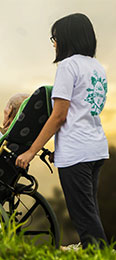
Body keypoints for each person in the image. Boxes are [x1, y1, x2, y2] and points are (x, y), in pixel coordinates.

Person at [15, 13, 109, 249]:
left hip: (77, 152)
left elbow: (59, 116)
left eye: (55, 37)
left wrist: (30, 152)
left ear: (67, 38)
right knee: (90, 209)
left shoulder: (68, 66)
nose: (54, 43)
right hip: (96, 148)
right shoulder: (97, 67)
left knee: (84, 216)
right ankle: (94, 250)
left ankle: (98, 252)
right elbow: (86, 111)